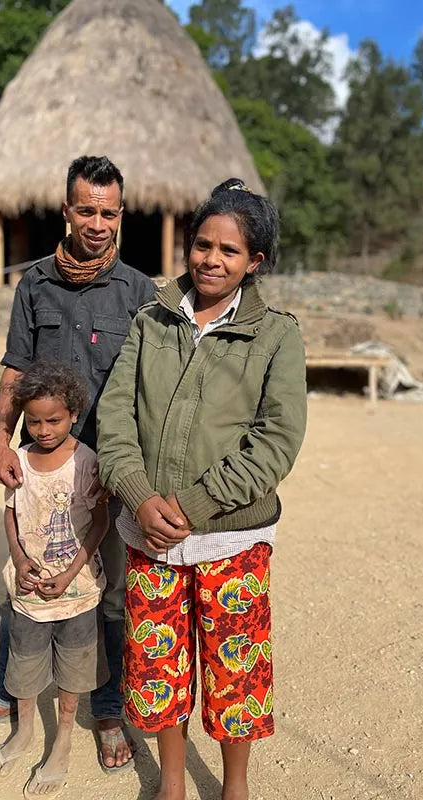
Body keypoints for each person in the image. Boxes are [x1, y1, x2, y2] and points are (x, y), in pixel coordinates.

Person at [0, 155, 156, 772]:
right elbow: (15, 368)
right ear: (66, 210)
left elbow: (151, 384)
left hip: (108, 468)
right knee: (26, 583)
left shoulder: (140, 291)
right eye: (85, 209)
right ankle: (8, 694)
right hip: (39, 467)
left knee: (109, 594)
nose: (97, 221)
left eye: (108, 211)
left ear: (121, 213)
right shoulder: (34, 283)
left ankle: (109, 707)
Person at [96, 179, 307, 800]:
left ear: (255, 262)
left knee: (235, 670)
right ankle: (171, 784)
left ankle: (235, 785)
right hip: (149, 533)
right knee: (160, 666)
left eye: (230, 252)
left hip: (232, 537)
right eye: (202, 245)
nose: (211, 260)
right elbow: (116, 416)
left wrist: (189, 505)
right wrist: (137, 493)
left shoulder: (276, 336)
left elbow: (276, 442)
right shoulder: (151, 319)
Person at [0, 360, 109, 796]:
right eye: (34, 421)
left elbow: (99, 523)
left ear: (74, 413)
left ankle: (63, 741)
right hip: (29, 592)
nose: (43, 429)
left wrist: (73, 570)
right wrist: (19, 560)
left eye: (53, 420)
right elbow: (10, 516)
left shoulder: (87, 462)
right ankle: (24, 732)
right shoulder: (17, 461)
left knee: (74, 671)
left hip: (77, 592)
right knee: (24, 665)